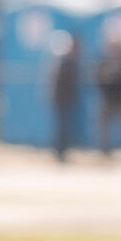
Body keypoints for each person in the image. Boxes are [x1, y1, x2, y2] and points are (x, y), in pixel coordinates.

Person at [50, 31, 80, 162]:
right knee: (62, 128)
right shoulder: (65, 63)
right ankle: (60, 152)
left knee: (63, 127)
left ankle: (61, 151)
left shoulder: (62, 62)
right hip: (63, 100)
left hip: (63, 99)